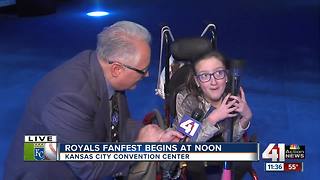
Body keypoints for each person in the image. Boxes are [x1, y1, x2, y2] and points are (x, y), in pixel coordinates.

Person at [5, 21, 183, 180]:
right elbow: (90, 167)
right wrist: (141, 148)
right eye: (142, 70)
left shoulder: (101, 68)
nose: (147, 75)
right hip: (48, 169)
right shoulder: (69, 98)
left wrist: (152, 134)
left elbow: (116, 124)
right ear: (117, 69)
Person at [174, 50, 253, 179]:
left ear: (227, 76)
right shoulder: (187, 100)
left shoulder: (232, 96)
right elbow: (187, 144)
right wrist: (214, 118)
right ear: (197, 81)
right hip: (192, 145)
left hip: (220, 141)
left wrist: (246, 118)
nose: (214, 82)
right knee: (194, 164)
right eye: (205, 76)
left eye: (219, 73)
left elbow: (230, 138)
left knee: (243, 160)